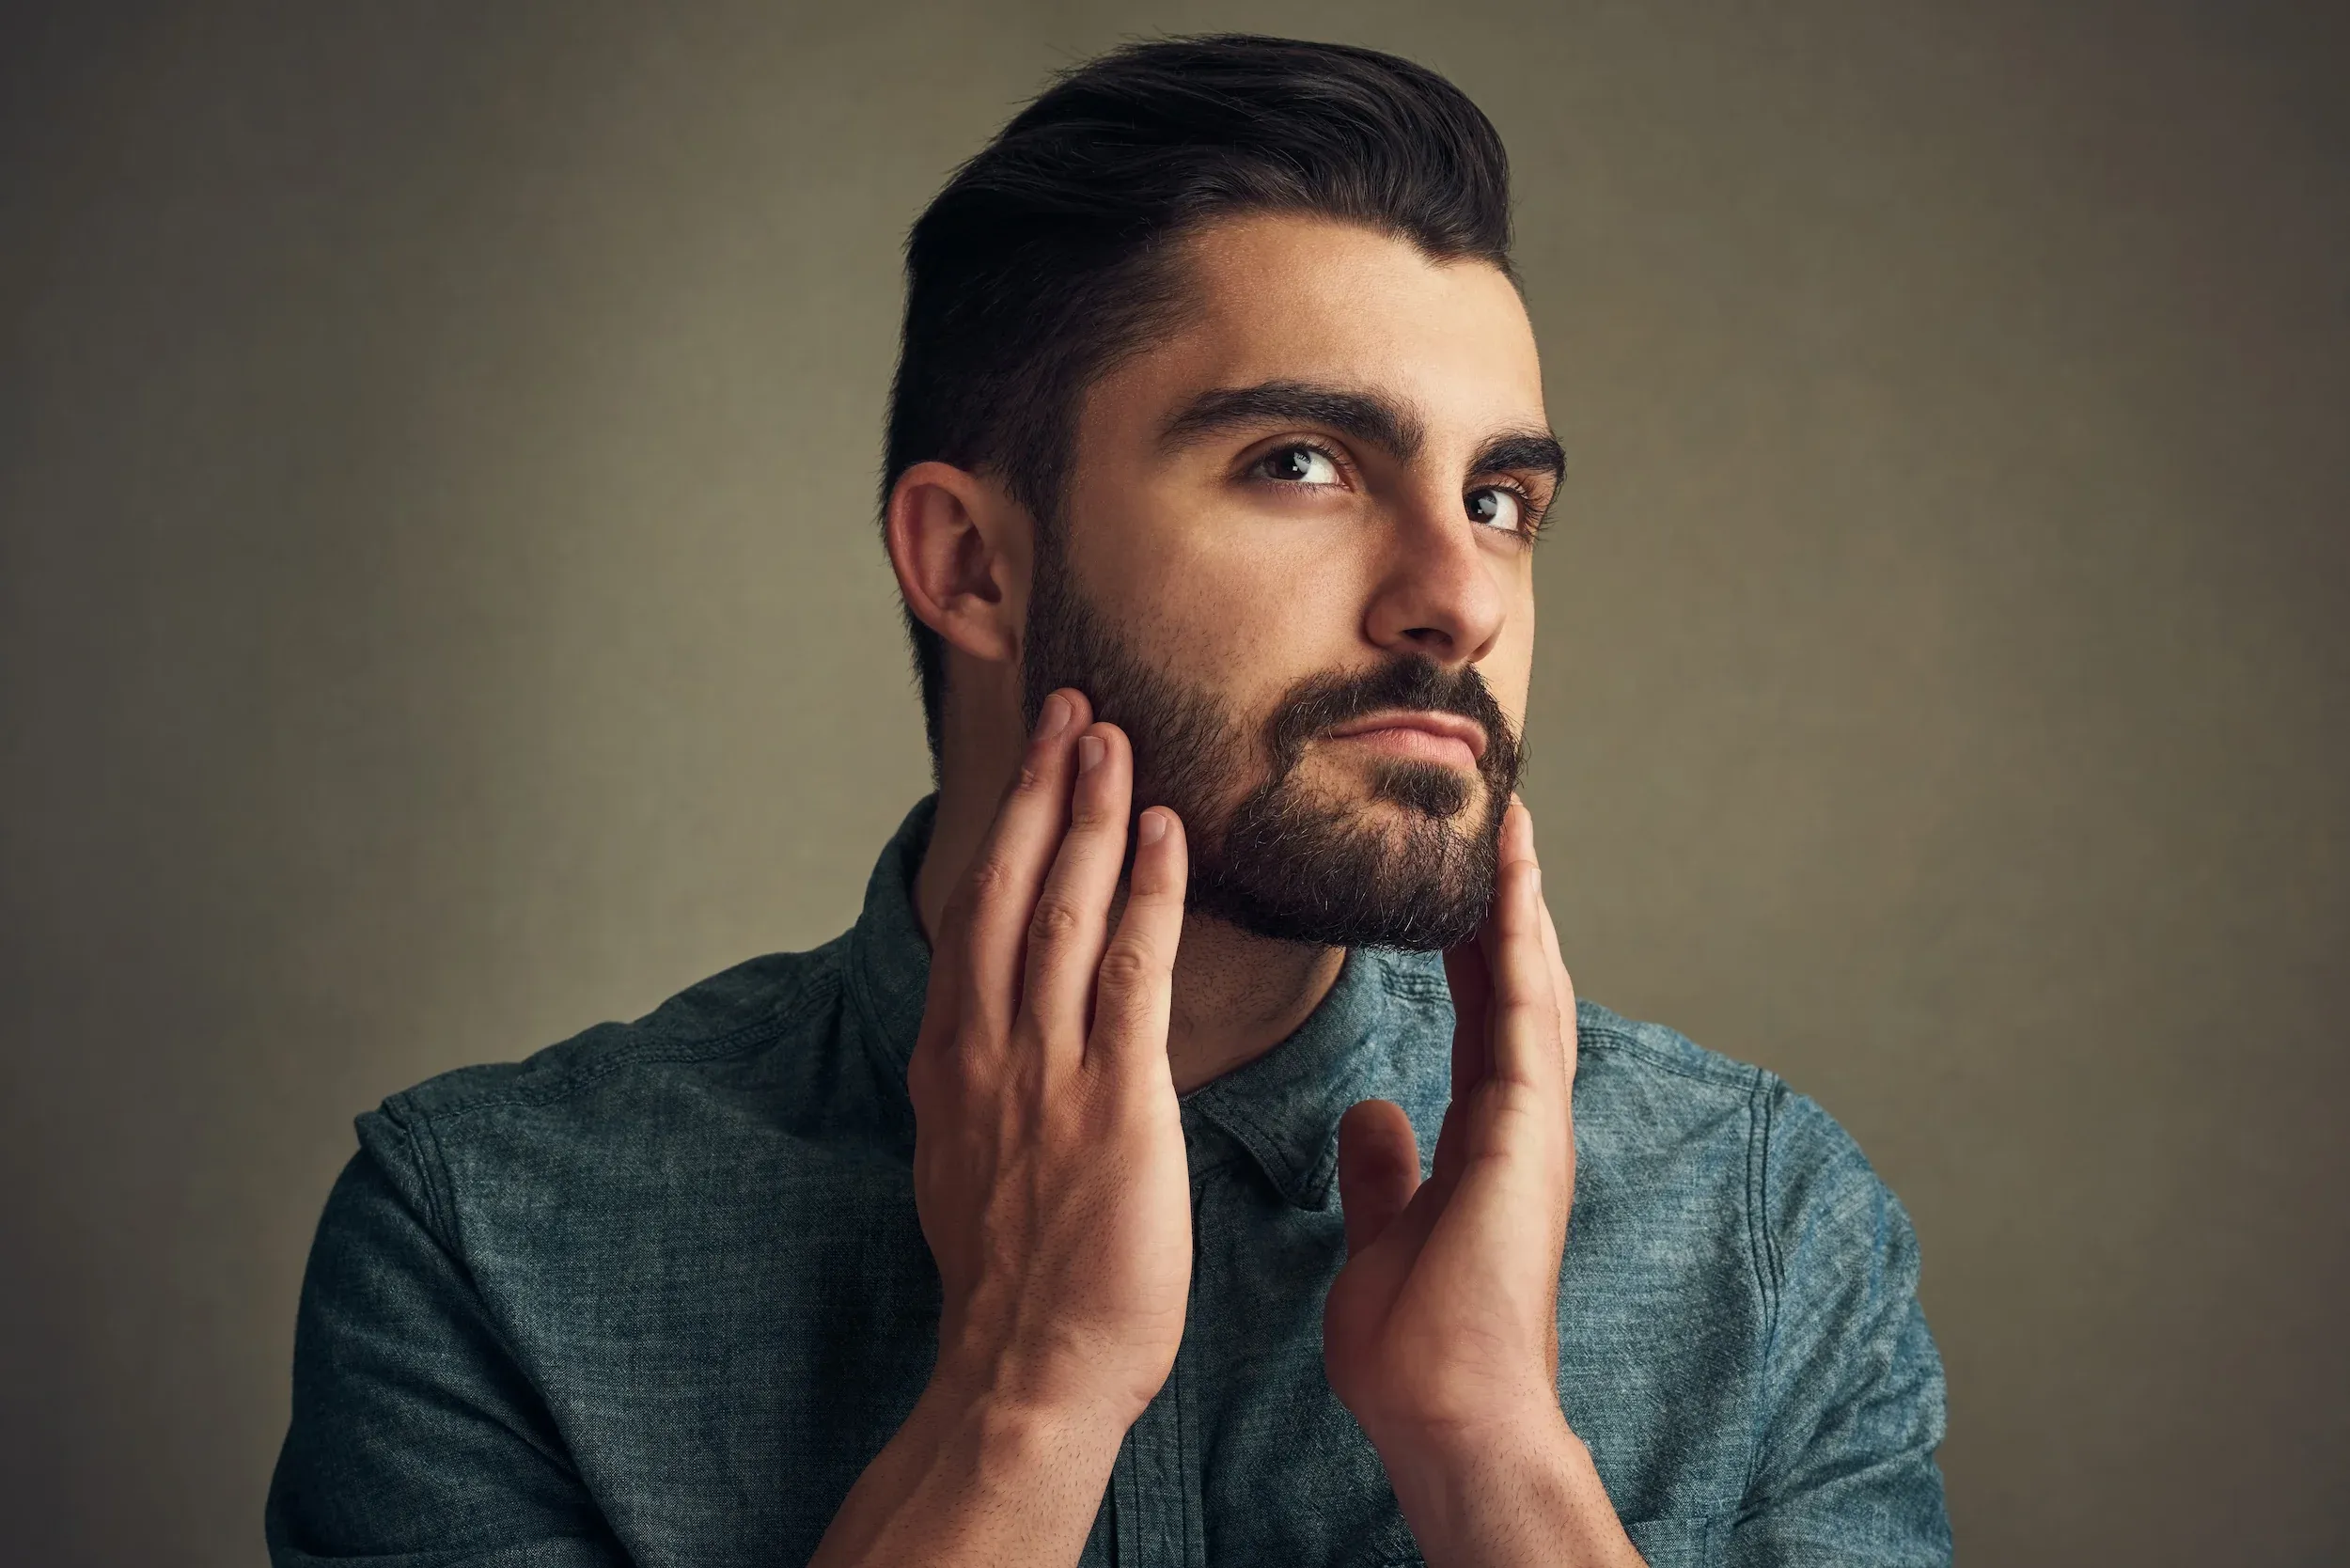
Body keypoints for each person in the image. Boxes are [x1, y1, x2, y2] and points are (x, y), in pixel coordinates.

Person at [265, 33, 1951, 1568]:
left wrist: (1497, 1457)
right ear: (972, 563)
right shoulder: (492, 1245)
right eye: (1302, 463)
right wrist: (1019, 1407)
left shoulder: (1769, 1230)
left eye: (1503, 498)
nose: (1464, 597)